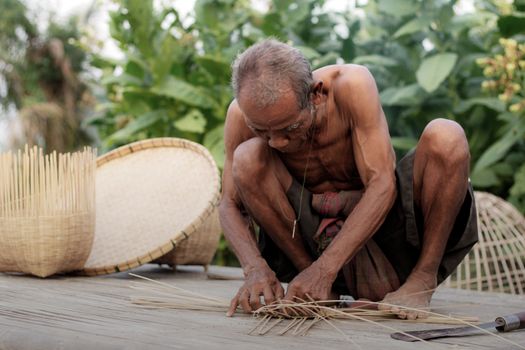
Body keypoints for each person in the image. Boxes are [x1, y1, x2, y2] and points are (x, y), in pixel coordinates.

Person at [219, 39, 478, 320]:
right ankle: (313, 287)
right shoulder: (240, 116)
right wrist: (255, 267)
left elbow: (382, 184)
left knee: (447, 136)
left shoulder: (351, 86)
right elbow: (229, 204)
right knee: (246, 158)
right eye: (263, 131)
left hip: (385, 228)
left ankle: (421, 280)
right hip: (308, 241)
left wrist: (325, 270)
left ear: (316, 94)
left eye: (289, 127)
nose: (278, 143)